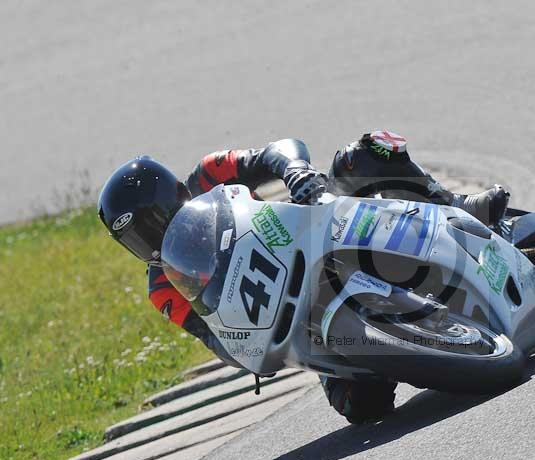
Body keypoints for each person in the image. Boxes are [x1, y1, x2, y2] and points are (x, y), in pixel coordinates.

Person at [97, 131, 509, 423]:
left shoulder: (208, 175)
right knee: (363, 408)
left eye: (149, 224)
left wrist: (294, 171)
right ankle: (418, 335)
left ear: (170, 195)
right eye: (134, 238)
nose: (149, 240)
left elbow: (274, 152)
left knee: (360, 155)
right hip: (297, 315)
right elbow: (214, 338)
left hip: (309, 231)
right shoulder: (162, 286)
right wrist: (243, 348)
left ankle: (458, 207)